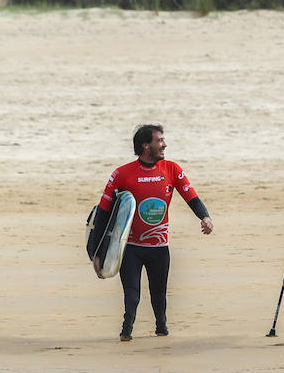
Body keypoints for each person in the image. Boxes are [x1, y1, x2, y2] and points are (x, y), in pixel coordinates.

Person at [86, 124, 213, 342]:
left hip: (159, 247)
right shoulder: (122, 174)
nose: (164, 144)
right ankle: (127, 329)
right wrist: (97, 253)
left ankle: (161, 328)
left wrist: (205, 217)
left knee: (159, 294)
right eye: (160, 140)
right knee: (131, 293)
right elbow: (103, 213)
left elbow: (191, 197)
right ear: (146, 146)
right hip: (130, 247)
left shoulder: (172, 169)